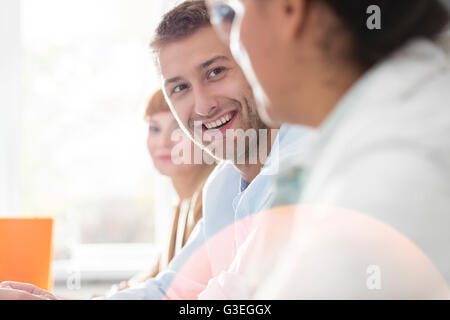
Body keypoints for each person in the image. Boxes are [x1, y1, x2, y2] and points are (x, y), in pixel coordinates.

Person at [0, 1, 312, 300]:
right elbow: (170, 291)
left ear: (254, 61)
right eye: (180, 88)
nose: (203, 105)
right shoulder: (222, 186)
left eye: (215, 72)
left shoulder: (308, 165)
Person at [200, 0, 450, 298]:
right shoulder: (360, 142)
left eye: (231, 14)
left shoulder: (384, 186)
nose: (234, 45)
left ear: (289, 9)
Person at [109, 89, 215, 294]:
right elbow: (157, 275)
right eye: (155, 129)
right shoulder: (183, 203)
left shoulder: (210, 199)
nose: (164, 142)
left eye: (178, 130)